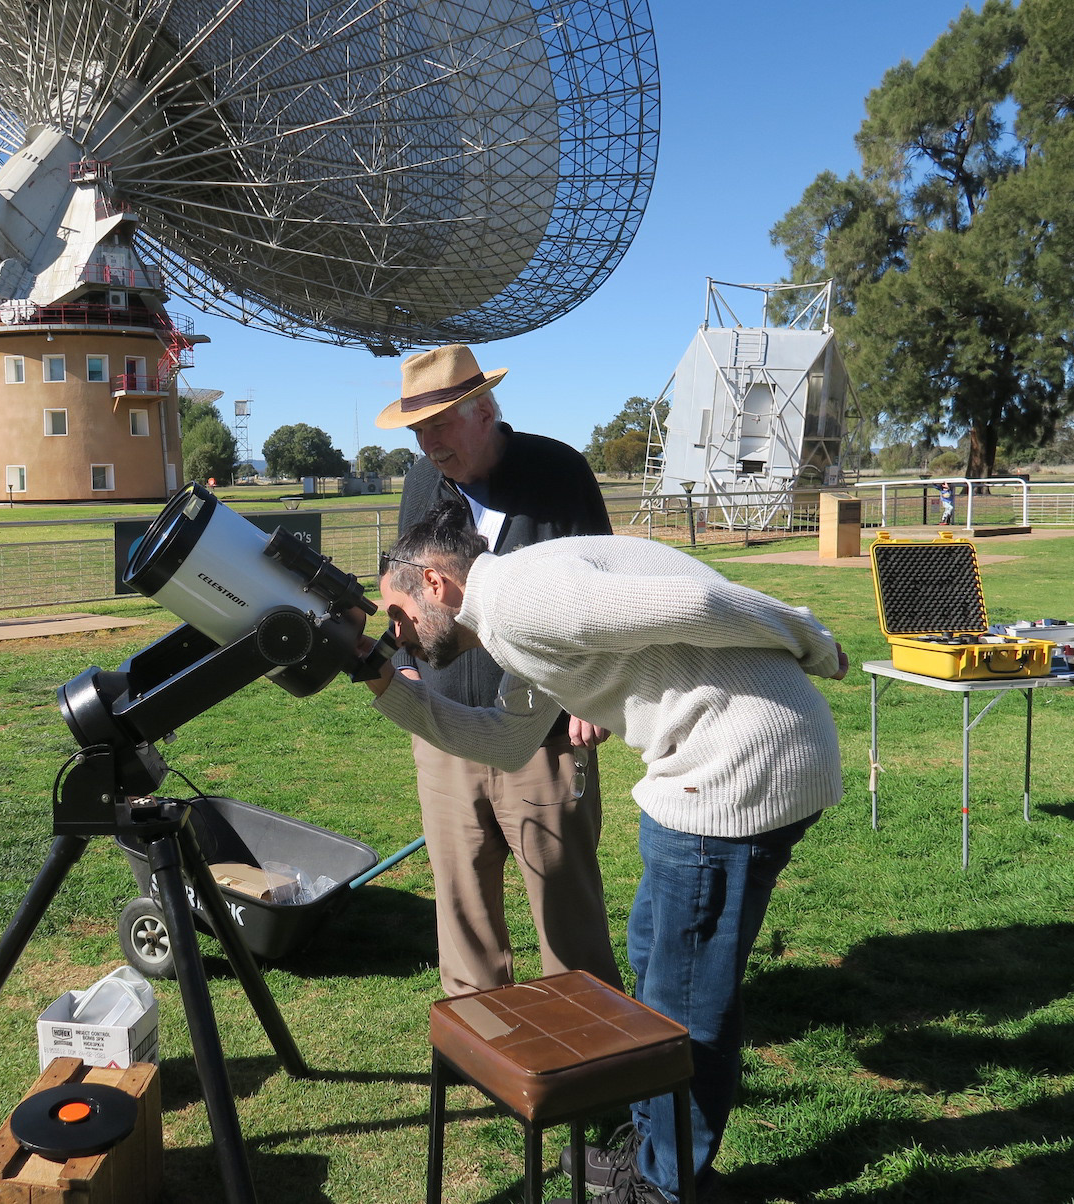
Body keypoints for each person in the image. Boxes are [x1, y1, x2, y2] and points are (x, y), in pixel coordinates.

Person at [357, 501, 847, 1204]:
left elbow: (697, 599)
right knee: (656, 969)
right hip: (717, 765)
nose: (397, 634)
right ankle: (656, 1159)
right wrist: (381, 684)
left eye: (396, 612)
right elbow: (505, 741)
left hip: (735, 767)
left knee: (686, 1005)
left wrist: (810, 640)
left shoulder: (523, 600)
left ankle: (665, 1188)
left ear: (436, 583)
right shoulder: (509, 618)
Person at [374, 343, 622, 998]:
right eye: (418, 428)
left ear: (484, 409)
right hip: (445, 732)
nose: (429, 442)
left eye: (441, 423)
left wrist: (592, 697)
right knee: (463, 921)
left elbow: (603, 599)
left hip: (544, 742)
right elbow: (410, 587)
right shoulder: (422, 481)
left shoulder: (559, 473)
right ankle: (483, 1054)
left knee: (569, 923)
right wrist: (405, 667)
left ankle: (589, 1063)